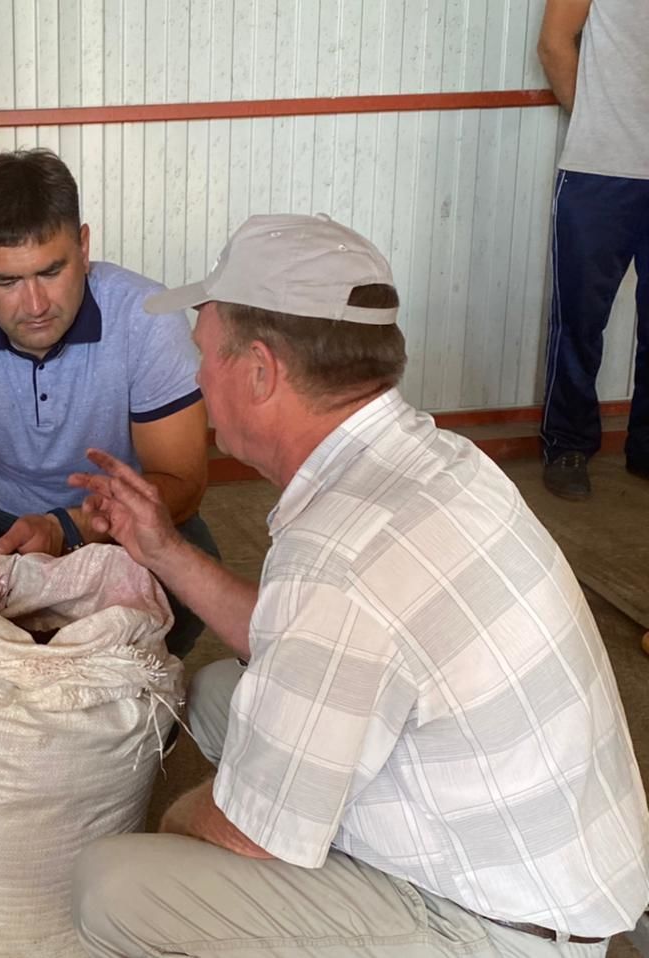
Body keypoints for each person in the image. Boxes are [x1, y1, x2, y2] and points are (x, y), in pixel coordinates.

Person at [70, 213, 649, 954]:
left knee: (117, 885)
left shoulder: (339, 554)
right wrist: (161, 548)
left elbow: (246, 834)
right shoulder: (435, 460)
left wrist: (180, 823)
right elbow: (298, 630)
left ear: (259, 371)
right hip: (559, 866)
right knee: (222, 697)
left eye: (204, 352)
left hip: (503, 929)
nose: (196, 376)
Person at [0, 149, 217, 657]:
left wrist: (67, 529)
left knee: (186, 597)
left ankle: (132, 724)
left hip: (119, 521)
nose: (35, 306)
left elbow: (182, 482)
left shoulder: (146, 317)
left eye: (52, 272)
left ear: (83, 245)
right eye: (6, 282)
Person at [536, 0, 649, 500]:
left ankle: (645, 448)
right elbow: (554, 42)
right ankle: (567, 445)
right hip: (599, 171)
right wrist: (595, 122)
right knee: (578, 321)